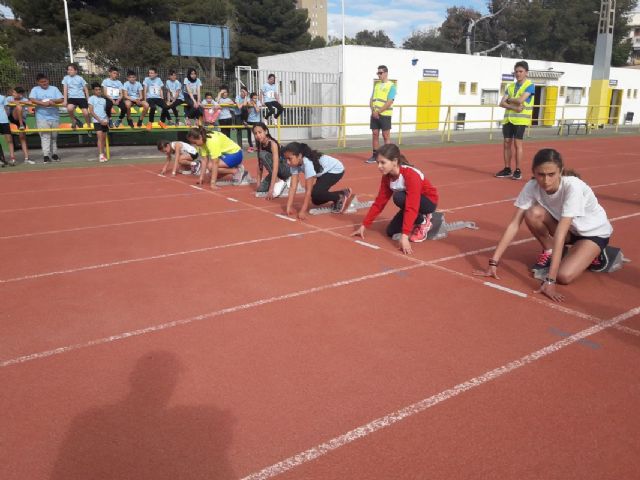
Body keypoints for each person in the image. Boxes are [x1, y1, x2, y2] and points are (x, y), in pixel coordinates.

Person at [474, 148, 613, 303]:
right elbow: (514, 224)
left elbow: (560, 233)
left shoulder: (573, 187)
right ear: (534, 172)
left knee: (564, 276)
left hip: (592, 233)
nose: (546, 180)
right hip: (569, 230)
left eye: (551, 174)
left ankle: (597, 252)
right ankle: (551, 250)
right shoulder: (531, 186)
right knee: (532, 213)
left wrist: (550, 281)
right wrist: (493, 263)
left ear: (560, 171)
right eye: (541, 175)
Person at [352, 144, 439, 255]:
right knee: (391, 232)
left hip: (428, 202)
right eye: (378, 163)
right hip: (409, 202)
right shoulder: (387, 177)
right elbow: (379, 203)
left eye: (383, 162)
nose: (379, 166)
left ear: (394, 161)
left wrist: (405, 236)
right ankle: (417, 219)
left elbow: (412, 206)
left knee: (399, 197)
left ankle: (424, 221)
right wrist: (364, 225)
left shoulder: (410, 175)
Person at [281, 142, 354, 220]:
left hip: (335, 170)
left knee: (316, 193)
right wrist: (289, 207)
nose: (288, 162)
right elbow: (293, 186)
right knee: (316, 200)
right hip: (323, 173)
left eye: (290, 159)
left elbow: (308, 190)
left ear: (299, 156)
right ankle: (342, 193)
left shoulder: (307, 163)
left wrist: (303, 211)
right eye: (286, 159)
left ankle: (340, 196)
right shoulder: (293, 165)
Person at [495, 60, 535, 181]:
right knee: (506, 143)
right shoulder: (510, 86)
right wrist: (514, 107)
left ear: (526, 73)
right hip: (508, 119)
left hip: (520, 121)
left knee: (518, 145)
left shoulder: (530, 85)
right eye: (516, 71)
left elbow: (521, 100)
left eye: (521, 71)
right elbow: (501, 103)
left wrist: (510, 100)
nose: (518, 74)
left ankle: (518, 170)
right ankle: (507, 169)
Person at [29, 73, 64, 163]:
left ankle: (54, 154)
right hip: (42, 117)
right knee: (45, 136)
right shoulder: (35, 89)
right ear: (38, 82)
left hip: (54, 116)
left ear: (48, 80)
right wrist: (42, 103)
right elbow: (32, 99)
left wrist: (53, 101)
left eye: (45, 81)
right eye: (42, 82)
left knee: (54, 137)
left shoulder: (54, 89)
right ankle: (46, 156)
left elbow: (61, 99)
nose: (44, 83)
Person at [365, 65, 396, 164]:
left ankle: (389, 156)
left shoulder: (391, 86)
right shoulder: (377, 85)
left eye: (380, 73)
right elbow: (371, 99)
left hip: (385, 114)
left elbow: (389, 101)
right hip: (374, 114)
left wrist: (378, 112)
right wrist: (373, 111)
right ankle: (375, 156)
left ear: (386, 73)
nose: (378, 75)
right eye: (377, 73)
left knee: (386, 136)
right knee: (375, 134)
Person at [253, 122, 290, 199]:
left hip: (285, 168)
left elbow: (276, 166)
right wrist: (258, 183)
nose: (258, 135)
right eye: (255, 133)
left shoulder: (273, 144)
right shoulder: (260, 145)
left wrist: (271, 189)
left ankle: (280, 181)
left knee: (263, 155)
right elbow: (260, 165)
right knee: (261, 189)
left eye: (260, 132)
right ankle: (282, 181)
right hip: (276, 171)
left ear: (266, 131)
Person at [62, 63, 92, 130]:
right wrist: (65, 100)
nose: (69, 71)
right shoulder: (66, 78)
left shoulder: (80, 78)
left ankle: (89, 125)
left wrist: (88, 99)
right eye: (68, 70)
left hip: (81, 97)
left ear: (76, 71)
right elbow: (65, 90)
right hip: (72, 98)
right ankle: (74, 120)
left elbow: (86, 89)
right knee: (69, 108)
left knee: (86, 113)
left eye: (71, 70)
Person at [6, 87, 30, 164]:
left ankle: (26, 158)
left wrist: (19, 102)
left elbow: (29, 102)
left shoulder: (24, 99)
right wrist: (15, 102)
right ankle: (12, 158)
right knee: (9, 140)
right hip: (12, 118)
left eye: (15, 93)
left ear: (20, 94)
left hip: (21, 120)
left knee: (23, 139)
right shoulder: (9, 98)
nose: (13, 94)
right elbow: (7, 101)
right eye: (13, 92)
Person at [88, 83, 109, 162]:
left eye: (99, 89)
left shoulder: (104, 100)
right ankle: (101, 155)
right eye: (96, 90)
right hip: (97, 121)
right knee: (100, 138)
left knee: (103, 139)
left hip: (104, 121)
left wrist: (106, 120)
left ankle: (103, 154)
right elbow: (91, 111)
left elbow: (104, 111)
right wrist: (100, 121)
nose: (98, 91)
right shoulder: (91, 98)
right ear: (93, 91)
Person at [0, 91, 16, 166]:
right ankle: (1, 160)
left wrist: (4, 117)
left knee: (9, 140)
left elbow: (7, 109)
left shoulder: (3, 97)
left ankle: (12, 158)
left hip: (4, 121)